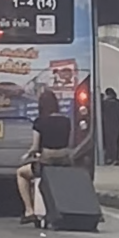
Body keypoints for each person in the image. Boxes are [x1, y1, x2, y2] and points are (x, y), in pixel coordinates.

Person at [16, 90, 71, 224]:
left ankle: (29, 210)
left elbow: (35, 147)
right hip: (64, 161)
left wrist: (26, 155)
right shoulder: (66, 121)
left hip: (46, 163)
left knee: (21, 173)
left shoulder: (40, 122)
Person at [102, 88, 119, 165]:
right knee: (115, 142)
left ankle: (109, 158)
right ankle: (116, 158)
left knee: (108, 142)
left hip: (107, 125)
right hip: (118, 125)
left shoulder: (104, 104)